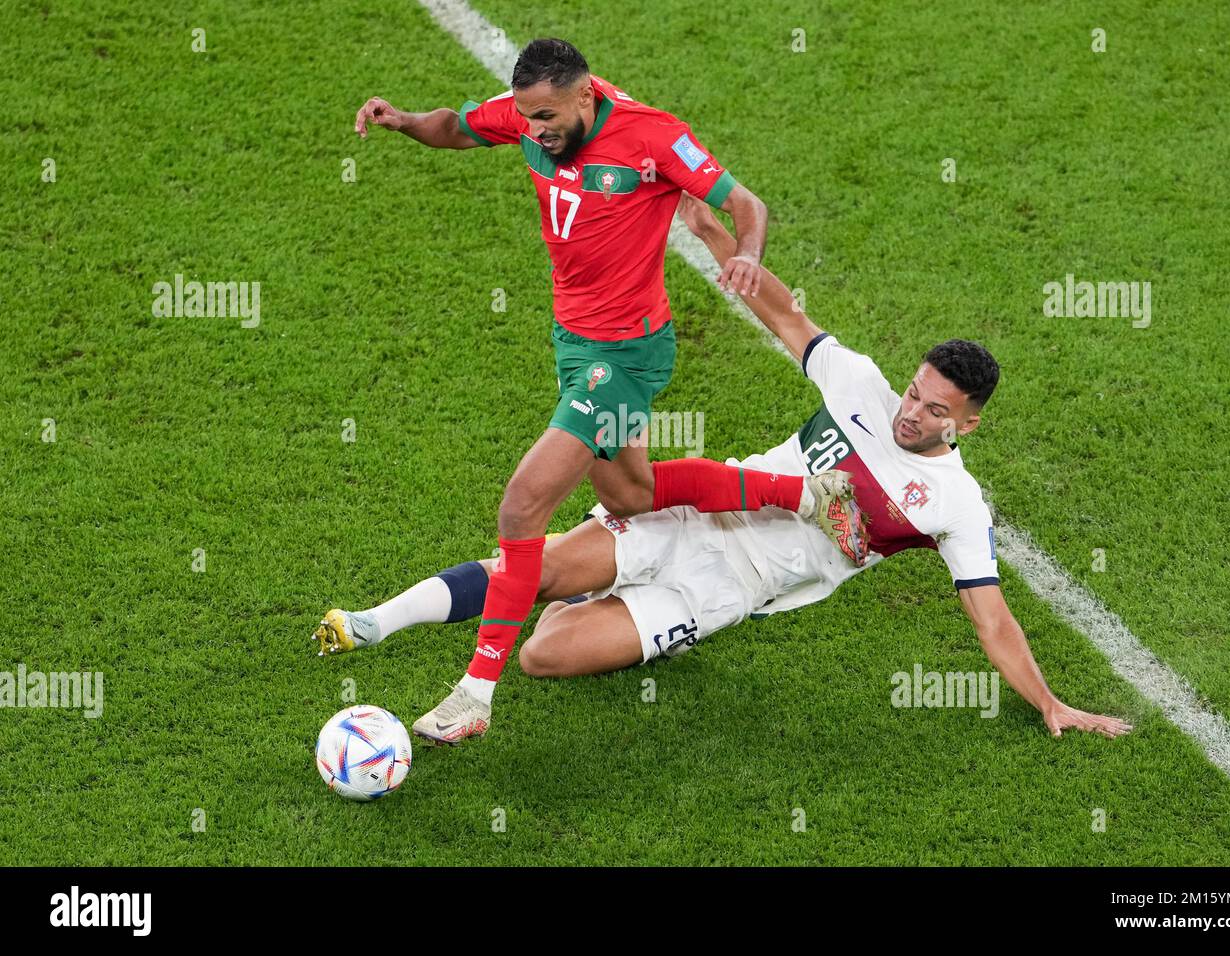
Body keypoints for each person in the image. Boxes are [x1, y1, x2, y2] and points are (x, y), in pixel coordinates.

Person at [313, 194, 1132, 743]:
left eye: (933, 412)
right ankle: (380, 619)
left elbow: (991, 619)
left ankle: (622, 612)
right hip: (698, 513)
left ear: (969, 424)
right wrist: (711, 233)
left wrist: (1053, 705)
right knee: (542, 571)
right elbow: (781, 310)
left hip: (728, 590)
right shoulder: (859, 384)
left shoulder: (955, 504)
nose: (910, 413)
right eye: (914, 392)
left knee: (543, 654)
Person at [350, 39, 863, 742]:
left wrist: (747, 254)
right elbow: (458, 127)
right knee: (632, 496)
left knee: (524, 503)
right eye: (528, 118)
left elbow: (746, 201)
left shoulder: (653, 137)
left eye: (548, 117)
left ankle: (475, 694)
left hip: (625, 358)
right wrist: (403, 120)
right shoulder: (532, 115)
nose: (536, 131)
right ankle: (808, 494)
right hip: (574, 344)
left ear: (585, 96)